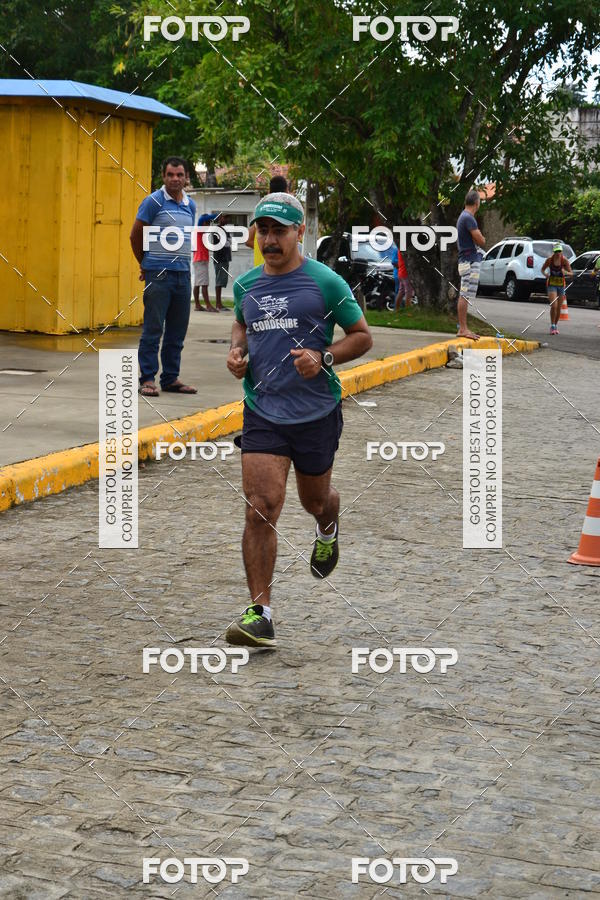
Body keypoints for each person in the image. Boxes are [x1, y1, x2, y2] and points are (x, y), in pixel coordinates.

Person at [225, 193, 373, 648]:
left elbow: (363, 337)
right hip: (264, 410)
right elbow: (241, 325)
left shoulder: (325, 283)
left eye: (278, 231)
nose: (269, 240)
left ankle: (328, 523)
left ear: (298, 233)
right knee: (261, 506)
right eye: (263, 231)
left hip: (315, 413)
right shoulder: (245, 284)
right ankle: (259, 613)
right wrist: (237, 353)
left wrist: (323, 357)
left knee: (315, 500)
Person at [130, 156, 197, 396]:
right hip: (158, 276)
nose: (175, 179)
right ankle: (147, 379)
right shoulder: (153, 202)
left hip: (182, 276)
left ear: (186, 177)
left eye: (179, 175)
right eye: (170, 175)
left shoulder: (190, 205)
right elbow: (135, 235)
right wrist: (145, 263)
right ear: (163, 176)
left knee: (177, 331)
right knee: (153, 328)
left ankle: (170, 378)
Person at [456, 190, 486, 340]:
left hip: (466, 259)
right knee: (465, 294)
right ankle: (463, 328)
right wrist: (481, 237)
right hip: (469, 260)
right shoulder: (469, 218)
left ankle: (463, 328)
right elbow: (481, 240)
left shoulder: (464, 216)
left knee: (465, 294)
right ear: (476, 203)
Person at [245, 175, 289, 267]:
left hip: (260, 272)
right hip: (280, 273)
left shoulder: (263, 212)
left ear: (269, 192)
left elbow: (248, 240)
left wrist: (266, 249)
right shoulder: (288, 214)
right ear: (287, 191)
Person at [542, 243, 573, 335]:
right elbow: (542, 269)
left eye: (559, 251)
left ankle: (555, 325)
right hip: (551, 285)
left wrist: (565, 272)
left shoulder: (564, 261)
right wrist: (546, 275)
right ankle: (552, 325)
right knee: (554, 305)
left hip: (561, 286)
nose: (558, 253)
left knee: (559, 307)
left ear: (561, 251)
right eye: (556, 251)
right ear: (553, 252)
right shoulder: (549, 260)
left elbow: (571, 273)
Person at [193, 212, 219, 312]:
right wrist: (217, 215)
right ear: (203, 223)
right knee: (204, 283)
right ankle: (208, 305)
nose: (208, 225)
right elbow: (202, 219)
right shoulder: (199, 230)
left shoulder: (201, 233)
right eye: (207, 223)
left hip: (199, 259)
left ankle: (197, 305)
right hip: (200, 260)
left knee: (198, 283)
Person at [212, 213, 232, 311]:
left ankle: (219, 304)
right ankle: (218, 304)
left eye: (228, 218)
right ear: (220, 218)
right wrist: (227, 242)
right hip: (220, 258)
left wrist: (227, 242)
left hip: (225, 258)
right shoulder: (217, 230)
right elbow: (225, 243)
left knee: (222, 280)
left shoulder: (224, 230)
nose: (227, 220)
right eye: (226, 218)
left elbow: (229, 242)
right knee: (219, 281)